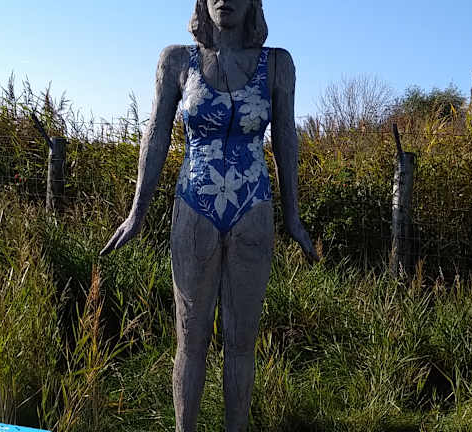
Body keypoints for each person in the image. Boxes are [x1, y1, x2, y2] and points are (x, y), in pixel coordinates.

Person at [100, 0, 318, 430]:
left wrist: (293, 217)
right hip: (193, 209)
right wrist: (136, 213)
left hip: (253, 211)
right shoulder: (177, 60)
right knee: (190, 340)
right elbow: (156, 133)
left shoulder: (277, 64)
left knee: (241, 344)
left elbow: (286, 137)